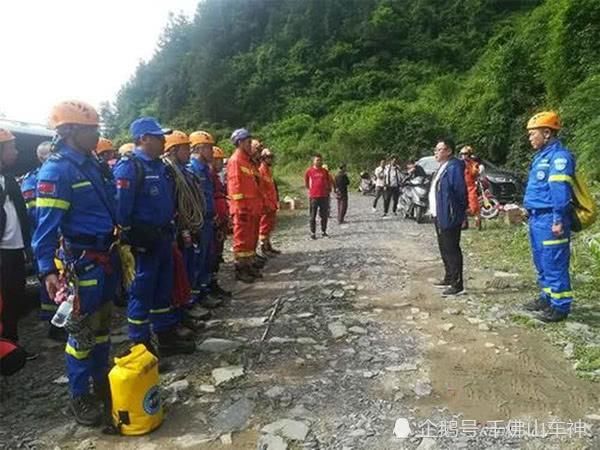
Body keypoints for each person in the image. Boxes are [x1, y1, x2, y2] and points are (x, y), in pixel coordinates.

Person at [32, 101, 120, 425]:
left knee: (102, 329)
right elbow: (45, 227)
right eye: (90, 129)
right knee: (81, 335)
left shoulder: (92, 164)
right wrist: (47, 270)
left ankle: (101, 383)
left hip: (106, 258)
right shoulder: (57, 170)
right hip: (82, 264)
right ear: (69, 131)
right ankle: (79, 396)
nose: (97, 135)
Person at [113, 117, 195, 357]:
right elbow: (121, 211)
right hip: (144, 243)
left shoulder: (160, 166)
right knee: (141, 292)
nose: (163, 141)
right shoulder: (130, 167)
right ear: (142, 139)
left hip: (163, 238)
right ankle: (141, 346)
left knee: (163, 289)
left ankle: (166, 336)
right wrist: (134, 237)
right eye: (158, 137)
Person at [522, 111, 575, 322]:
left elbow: (560, 193)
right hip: (536, 218)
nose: (529, 138)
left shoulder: (559, 157)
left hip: (550, 218)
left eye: (532, 133)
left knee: (554, 262)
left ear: (546, 133)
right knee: (541, 261)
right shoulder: (540, 157)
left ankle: (560, 307)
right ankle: (547, 298)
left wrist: (558, 220)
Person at [162, 130, 209, 331]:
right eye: (185, 148)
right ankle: (180, 311)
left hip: (189, 226)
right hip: (178, 228)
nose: (188, 152)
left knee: (190, 265)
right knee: (180, 272)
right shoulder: (170, 172)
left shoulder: (185, 171)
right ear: (173, 150)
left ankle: (187, 307)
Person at [19, 141, 64, 340]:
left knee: (64, 282)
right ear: (40, 158)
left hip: (62, 239)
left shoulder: (61, 173)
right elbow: (36, 215)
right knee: (49, 282)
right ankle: (53, 324)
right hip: (44, 238)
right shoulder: (32, 181)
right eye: (47, 155)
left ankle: (63, 319)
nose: (52, 157)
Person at [0, 129, 35, 358]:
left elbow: (19, 213)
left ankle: (12, 346)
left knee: (14, 297)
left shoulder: (9, 179)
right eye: (11, 147)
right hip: (2, 251)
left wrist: (26, 246)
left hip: (14, 249)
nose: (16, 151)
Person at [188, 130, 223, 308]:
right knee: (198, 259)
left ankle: (205, 291)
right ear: (200, 148)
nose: (212, 151)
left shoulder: (205, 170)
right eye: (209, 148)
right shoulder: (192, 169)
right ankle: (196, 297)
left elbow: (209, 195)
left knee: (208, 257)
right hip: (199, 221)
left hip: (208, 219)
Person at [429, 139, 468, 297]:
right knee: (443, 247)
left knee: (452, 249)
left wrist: (459, 212)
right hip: (439, 214)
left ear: (448, 151)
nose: (436, 153)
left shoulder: (453, 167)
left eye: (439, 150)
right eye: (436, 149)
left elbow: (460, 192)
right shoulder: (442, 167)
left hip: (449, 214)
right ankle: (449, 276)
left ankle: (457, 284)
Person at [227, 128, 263, 283]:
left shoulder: (246, 161)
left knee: (250, 239)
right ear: (240, 143)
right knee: (242, 240)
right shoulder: (235, 161)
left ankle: (248, 266)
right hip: (243, 209)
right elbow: (235, 186)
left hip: (251, 207)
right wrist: (241, 206)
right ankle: (240, 269)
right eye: (248, 142)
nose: (250, 145)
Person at [210, 146, 233, 299]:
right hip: (214, 219)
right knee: (211, 255)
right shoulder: (208, 175)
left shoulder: (215, 176)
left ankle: (213, 283)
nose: (221, 163)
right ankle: (210, 285)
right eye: (218, 160)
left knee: (217, 251)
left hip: (220, 216)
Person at [258, 148, 281, 256]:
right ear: (263, 158)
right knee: (264, 226)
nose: (271, 159)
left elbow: (272, 187)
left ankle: (268, 245)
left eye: (271, 157)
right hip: (266, 204)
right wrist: (265, 203)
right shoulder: (261, 171)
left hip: (271, 203)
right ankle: (264, 247)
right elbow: (261, 189)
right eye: (269, 157)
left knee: (270, 225)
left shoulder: (268, 171)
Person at [304, 154, 332, 239]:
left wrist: (328, 190)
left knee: (324, 215)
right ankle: (313, 232)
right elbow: (306, 182)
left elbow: (328, 181)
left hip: (324, 196)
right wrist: (311, 190)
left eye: (320, 160)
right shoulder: (309, 171)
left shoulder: (324, 171)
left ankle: (324, 231)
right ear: (313, 161)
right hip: (314, 196)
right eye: (317, 160)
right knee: (313, 216)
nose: (319, 162)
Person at [459, 146, 482, 230]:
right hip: (461, 186)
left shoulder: (473, 164)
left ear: (469, 154)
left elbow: (475, 173)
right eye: (462, 154)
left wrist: (475, 168)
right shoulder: (459, 164)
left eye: (465, 154)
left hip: (471, 187)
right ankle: (464, 223)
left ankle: (477, 221)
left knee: (474, 205)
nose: (463, 156)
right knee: (461, 205)